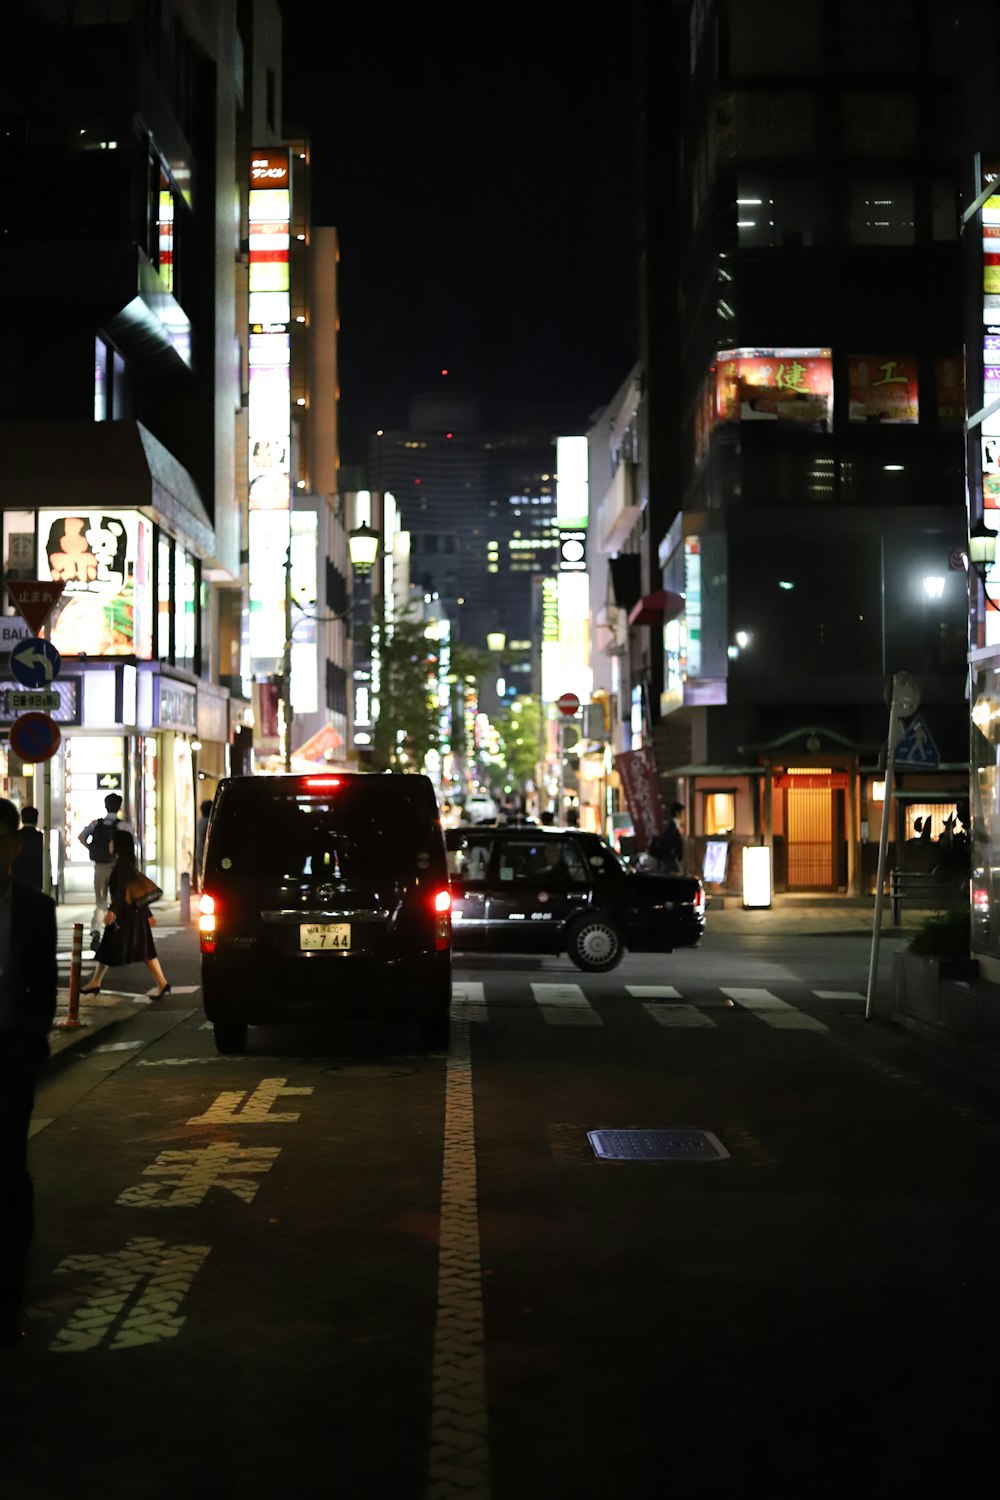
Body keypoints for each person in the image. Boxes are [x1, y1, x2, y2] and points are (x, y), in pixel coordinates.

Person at [0, 795, 58, 1346]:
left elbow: (45, 985)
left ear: (16, 848)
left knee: (9, 1171)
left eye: (3, 842)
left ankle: (10, 1292)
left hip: (11, 1052)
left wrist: (32, 1040)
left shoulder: (36, 910)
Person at [82, 829, 170, 1000]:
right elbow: (135, 891)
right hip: (133, 914)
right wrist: (147, 913)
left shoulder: (122, 865)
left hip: (125, 916)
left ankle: (96, 982)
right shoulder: (126, 863)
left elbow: (122, 890)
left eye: (112, 842)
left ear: (119, 845)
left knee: (113, 947)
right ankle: (162, 982)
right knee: (142, 949)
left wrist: (112, 911)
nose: (109, 845)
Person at [78, 793, 131, 950]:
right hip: (117, 867)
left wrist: (92, 848)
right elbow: (130, 846)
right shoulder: (124, 826)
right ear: (119, 806)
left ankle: (95, 930)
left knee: (100, 901)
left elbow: (81, 837)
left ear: (105, 805)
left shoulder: (96, 824)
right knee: (117, 900)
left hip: (100, 866)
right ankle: (116, 932)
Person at [11, 807, 43, 892]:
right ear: (36, 819)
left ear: (22, 819)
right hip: (35, 877)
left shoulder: (15, 835)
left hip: (17, 876)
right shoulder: (41, 837)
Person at [650, 803, 685, 874]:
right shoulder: (672, 827)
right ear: (678, 813)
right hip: (669, 860)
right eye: (683, 813)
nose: (684, 816)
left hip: (670, 859)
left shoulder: (674, 826)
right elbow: (670, 843)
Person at [195, 799, 212, 890]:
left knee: (200, 875)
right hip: (205, 853)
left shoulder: (200, 821)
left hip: (199, 852)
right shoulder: (208, 823)